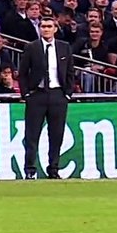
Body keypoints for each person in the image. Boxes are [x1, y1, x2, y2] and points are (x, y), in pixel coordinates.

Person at [17, 16, 75, 180]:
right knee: (32, 135)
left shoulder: (64, 47)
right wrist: (26, 94)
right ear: (39, 28)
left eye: (49, 26)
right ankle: (30, 169)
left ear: (55, 28)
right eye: (43, 26)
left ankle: (54, 168)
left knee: (56, 134)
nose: (46, 29)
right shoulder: (32, 47)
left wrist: (68, 93)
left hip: (58, 95)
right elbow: (23, 73)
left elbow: (70, 71)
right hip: (37, 95)